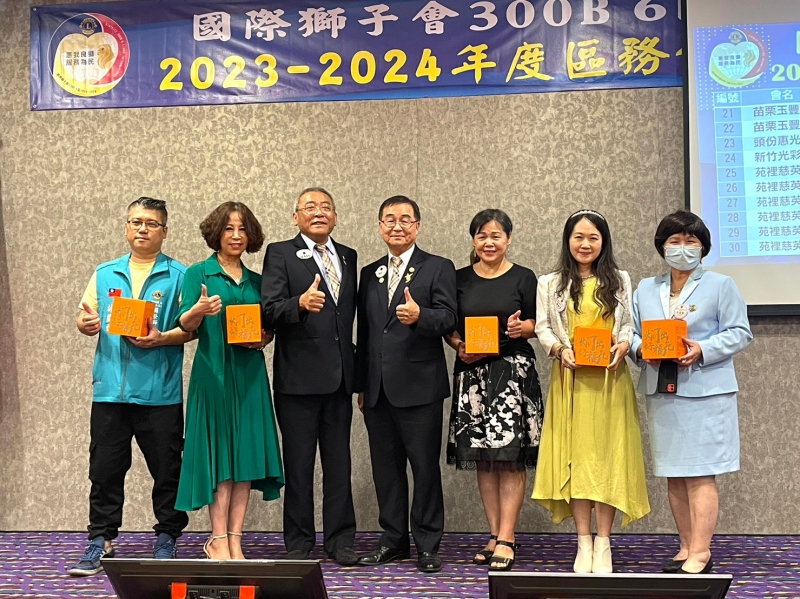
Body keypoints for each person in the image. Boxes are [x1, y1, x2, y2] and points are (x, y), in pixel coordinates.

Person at [71, 197, 192, 576]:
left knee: (167, 470)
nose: (143, 229)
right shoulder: (105, 272)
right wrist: (85, 324)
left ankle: (167, 537)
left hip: (160, 391)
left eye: (151, 223)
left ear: (164, 232)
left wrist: (162, 338)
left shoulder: (180, 275)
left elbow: (191, 329)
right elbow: (84, 316)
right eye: (136, 222)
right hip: (110, 389)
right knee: (104, 470)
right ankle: (100, 538)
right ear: (126, 227)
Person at [631, 210, 752, 575]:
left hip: (706, 391)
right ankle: (685, 546)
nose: (682, 248)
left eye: (690, 241)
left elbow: (740, 332)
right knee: (675, 473)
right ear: (662, 246)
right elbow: (632, 334)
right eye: (674, 241)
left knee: (700, 474)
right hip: (662, 390)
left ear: (703, 248)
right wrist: (641, 350)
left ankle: (701, 551)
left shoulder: (721, 285)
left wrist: (703, 349)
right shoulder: (645, 288)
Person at [532, 209, 650, 574]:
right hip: (570, 382)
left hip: (610, 382)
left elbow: (628, 326)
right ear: (568, 241)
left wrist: (623, 345)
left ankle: (604, 542)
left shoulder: (620, 279)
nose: (585, 244)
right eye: (579, 237)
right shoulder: (549, 283)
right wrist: (559, 349)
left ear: (604, 242)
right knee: (577, 461)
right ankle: (583, 541)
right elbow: (543, 328)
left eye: (593, 238)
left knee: (609, 460)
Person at [355, 195, 457, 574]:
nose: (396, 226)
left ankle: (428, 545)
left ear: (417, 226)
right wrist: (362, 384)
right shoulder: (370, 273)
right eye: (389, 219)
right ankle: (393, 540)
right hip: (377, 389)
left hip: (419, 387)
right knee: (386, 469)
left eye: (405, 219)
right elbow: (366, 333)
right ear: (380, 226)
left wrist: (420, 316)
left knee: (424, 468)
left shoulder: (437, 267)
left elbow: (449, 318)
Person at [176, 201, 284, 560]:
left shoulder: (257, 280)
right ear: (216, 233)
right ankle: (217, 537)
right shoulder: (199, 274)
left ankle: (235, 538)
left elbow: (268, 328)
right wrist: (198, 310)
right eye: (228, 228)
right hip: (214, 375)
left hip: (250, 376)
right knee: (221, 459)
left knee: (245, 459)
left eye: (242, 229)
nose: (236, 235)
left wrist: (264, 338)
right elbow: (184, 324)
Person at [261, 188, 358, 565]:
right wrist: (299, 304)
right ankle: (299, 542)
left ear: (335, 216)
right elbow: (269, 309)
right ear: (295, 216)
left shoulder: (348, 255)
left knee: (339, 464)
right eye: (310, 207)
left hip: (341, 378)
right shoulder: (280, 253)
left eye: (326, 207)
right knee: (299, 465)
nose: (319, 213)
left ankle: (341, 540)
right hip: (298, 379)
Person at [444, 209, 544, 572]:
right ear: (473, 240)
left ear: (509, 239)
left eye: (496, 235)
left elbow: (538, 323)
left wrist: (523, 328)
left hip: (513, 374)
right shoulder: (458, 278)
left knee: (510, 457)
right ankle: (493, 534)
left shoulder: (523, 277)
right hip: (472, 374)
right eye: (482, 235)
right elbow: (449, 326)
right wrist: (458, 344)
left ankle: (507, 536)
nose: (489, 242)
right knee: (484, 458)